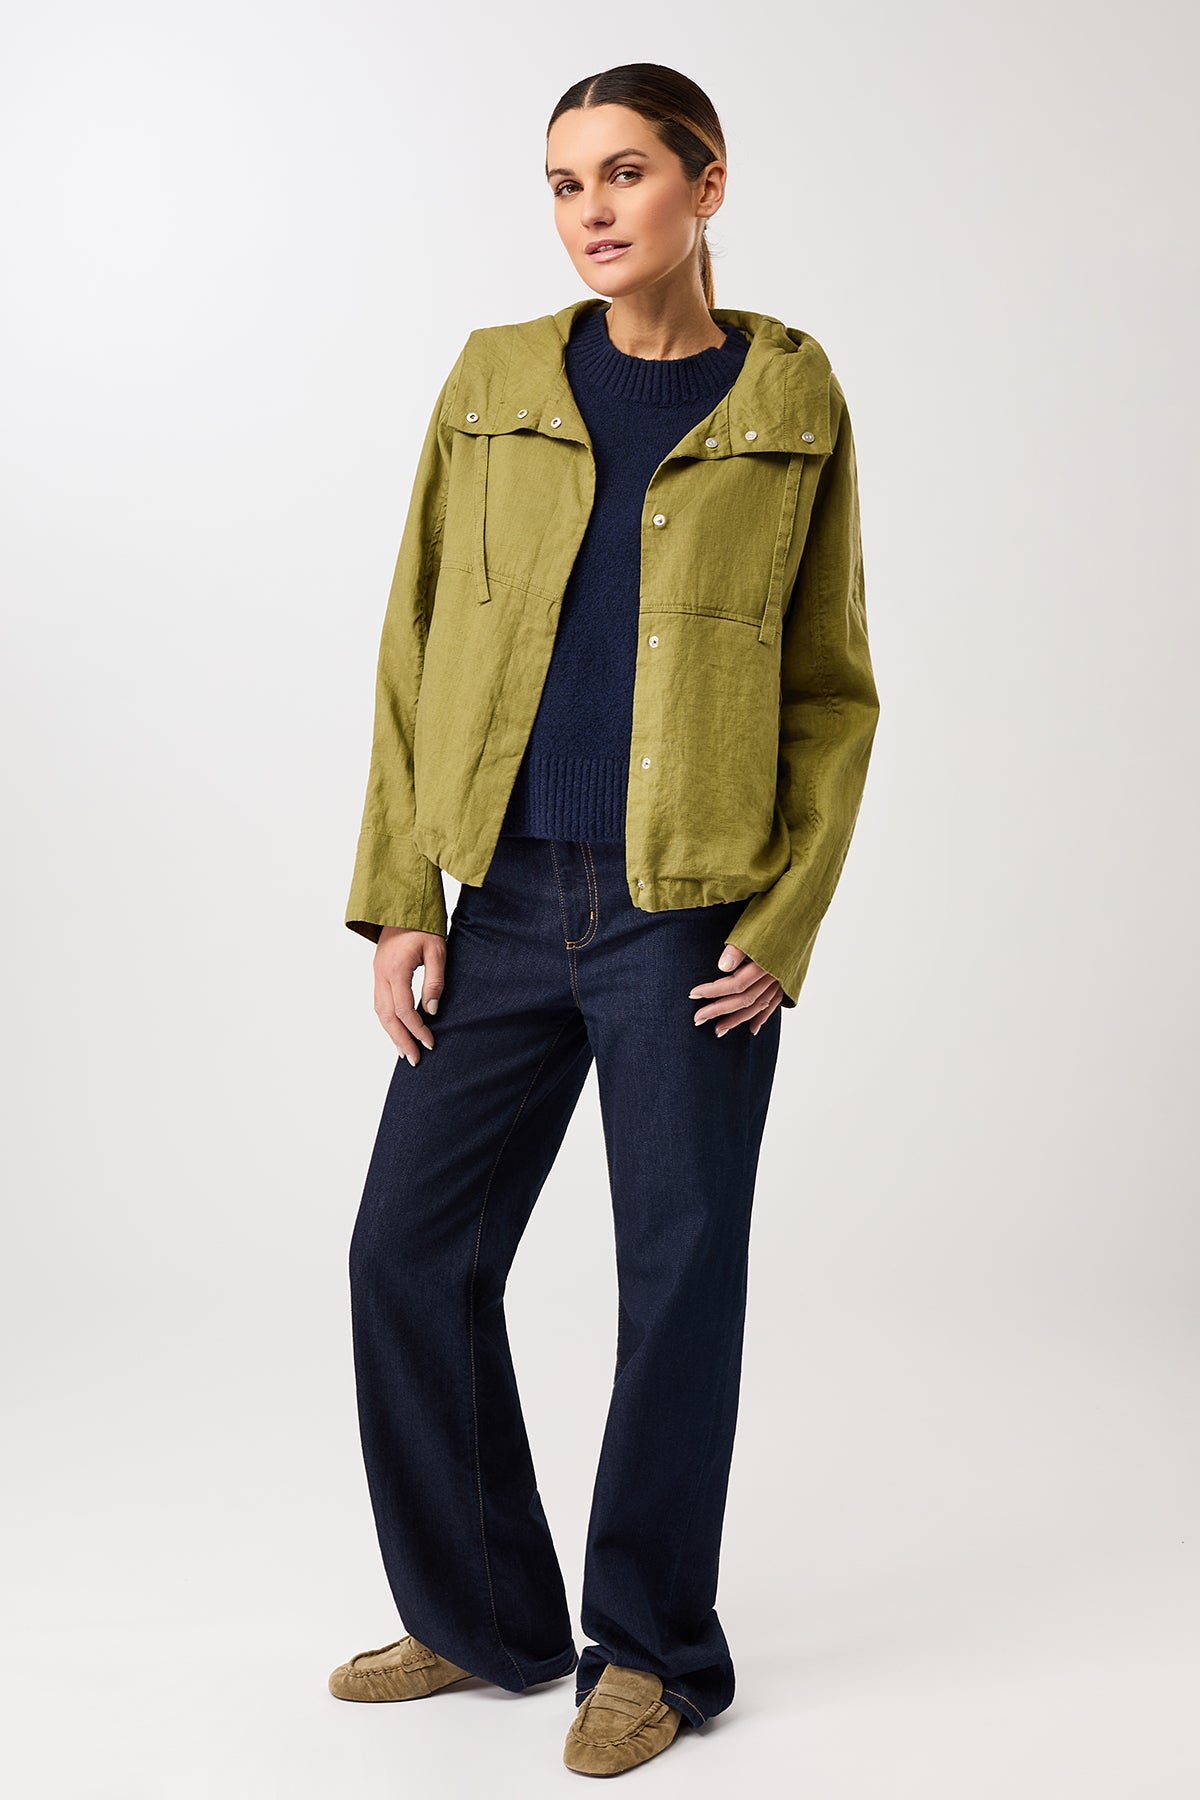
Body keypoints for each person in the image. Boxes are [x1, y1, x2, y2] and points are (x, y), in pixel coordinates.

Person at [327, 62, 880, 1777]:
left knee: (677, 1279)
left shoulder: (788, 396)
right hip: (498, 901)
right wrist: (399, 898)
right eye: (566, 183)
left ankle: (651, 1653)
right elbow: (417, 632)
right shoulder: (495, 379)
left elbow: (831, 687)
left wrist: (783, 918)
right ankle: (483, 1615)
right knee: (407, 1253)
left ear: (707, 186)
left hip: (684, 922)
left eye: (626, 174)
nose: (592, 212)